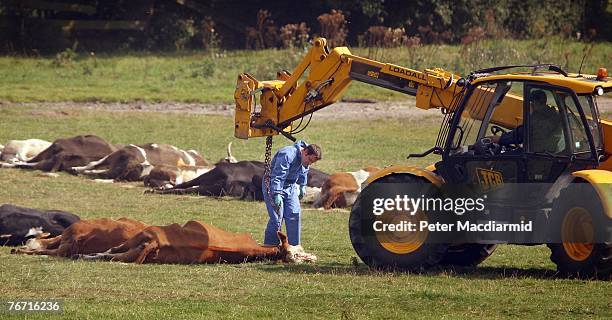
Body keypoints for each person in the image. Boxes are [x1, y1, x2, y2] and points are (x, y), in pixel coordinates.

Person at [262, 140, 321, 247]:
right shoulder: (287, 154)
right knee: (277, 218)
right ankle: (270, 248)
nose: (309, 163)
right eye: (309, 160)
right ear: (305, 152)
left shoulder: (305, 158)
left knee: (294, 214)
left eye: (312, 162)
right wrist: (276, 193)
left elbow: (304, 170)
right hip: (272, 184)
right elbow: (278, 176)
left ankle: (294, 248)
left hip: (290, 186)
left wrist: (303, 185)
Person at [492, 90, 564, 153]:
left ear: (535, 102)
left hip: (536, 154)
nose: (530, 105)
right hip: (545, 151)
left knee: (501, 161)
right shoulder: (551, 115)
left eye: (531, 103)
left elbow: (521, 134)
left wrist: (500, 139)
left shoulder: (540, 118)